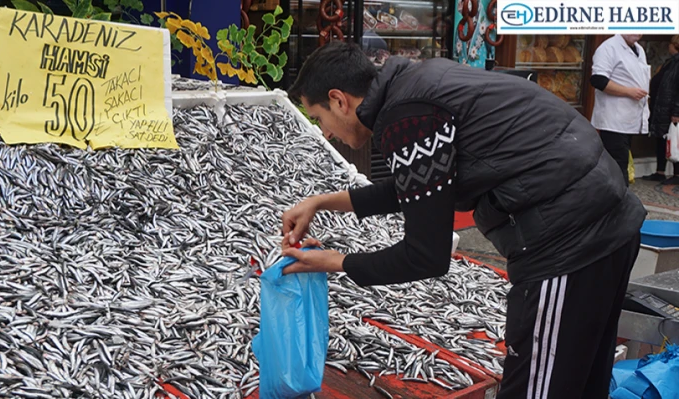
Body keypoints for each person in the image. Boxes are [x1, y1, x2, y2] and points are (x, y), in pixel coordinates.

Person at [280, 42, 646, 398]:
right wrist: (323, 202)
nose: (325, 133)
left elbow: (426, 255)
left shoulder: (407, 116)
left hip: (569, 242)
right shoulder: (420, 84)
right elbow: (421, 185)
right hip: (608, 221)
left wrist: (333, 262)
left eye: (320, 118)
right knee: (581, 382)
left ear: (339, 100)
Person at [590, 34, 651, 187]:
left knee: (622, 162)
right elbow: (598, 80)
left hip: (631, 118)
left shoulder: (639, 50)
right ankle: (620, 204)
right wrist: (628, 92)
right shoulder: (608, 48)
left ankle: (618, 202)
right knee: (617, 165)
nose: (638, 32)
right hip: (613, 119)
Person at [644, 35, 679, 185]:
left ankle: (677, 173)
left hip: (671, 109)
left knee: (674, 140)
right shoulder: (670, 62)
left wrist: (677, 112)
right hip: (662, 107)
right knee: (662, 139)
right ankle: (660, 171)